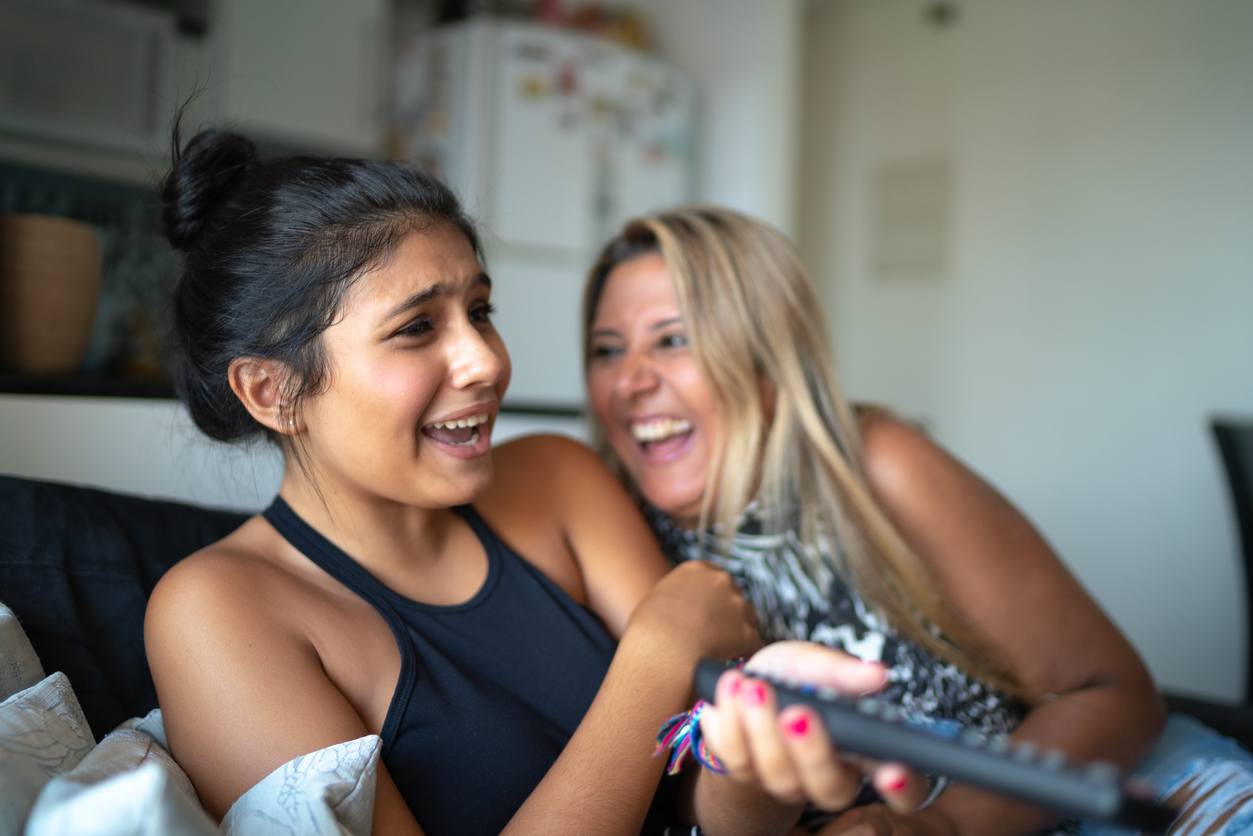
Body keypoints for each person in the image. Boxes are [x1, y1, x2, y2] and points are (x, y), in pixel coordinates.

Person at [143, 128, 766, 835]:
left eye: (479, 312)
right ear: (272, 391)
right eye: (415, 328)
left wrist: (789, 794)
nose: (484, 363)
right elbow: (671, 667)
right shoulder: (217, 613)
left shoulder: (558, 479)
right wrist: (658, 655)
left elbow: (703, 789)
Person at [583, 205, 1253, 834]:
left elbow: (1111, 695)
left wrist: (938, 826)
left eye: (672, 340)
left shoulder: (874, 466)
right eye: (607, 350)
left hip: (1129, 791)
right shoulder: (614, 531)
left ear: (765, 360)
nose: (630, 381)